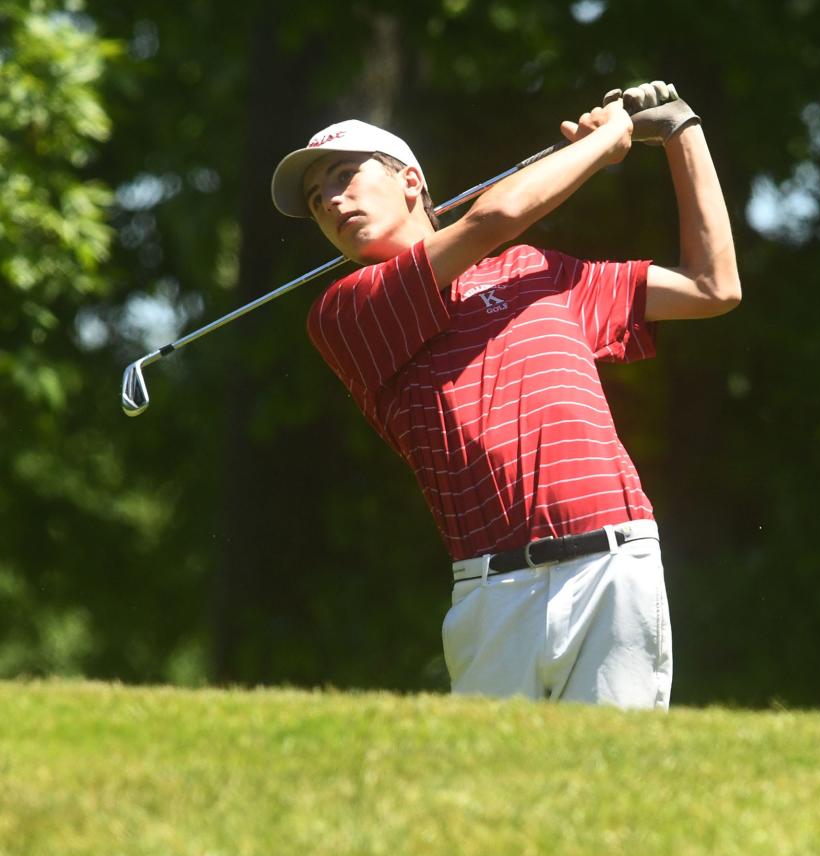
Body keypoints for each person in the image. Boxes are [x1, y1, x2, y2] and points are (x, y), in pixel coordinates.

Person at [270, 81, 740, 709]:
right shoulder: (346, 313)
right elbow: (491, 219)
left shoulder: (538, 272)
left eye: (344, 176)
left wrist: (684, 132)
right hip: (492, 593)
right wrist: (604, 145)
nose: (330, 200)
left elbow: (713, 286)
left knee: (614, 793)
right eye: (315, 196)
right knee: (493, 800)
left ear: (410, 180)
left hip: (613, 566)